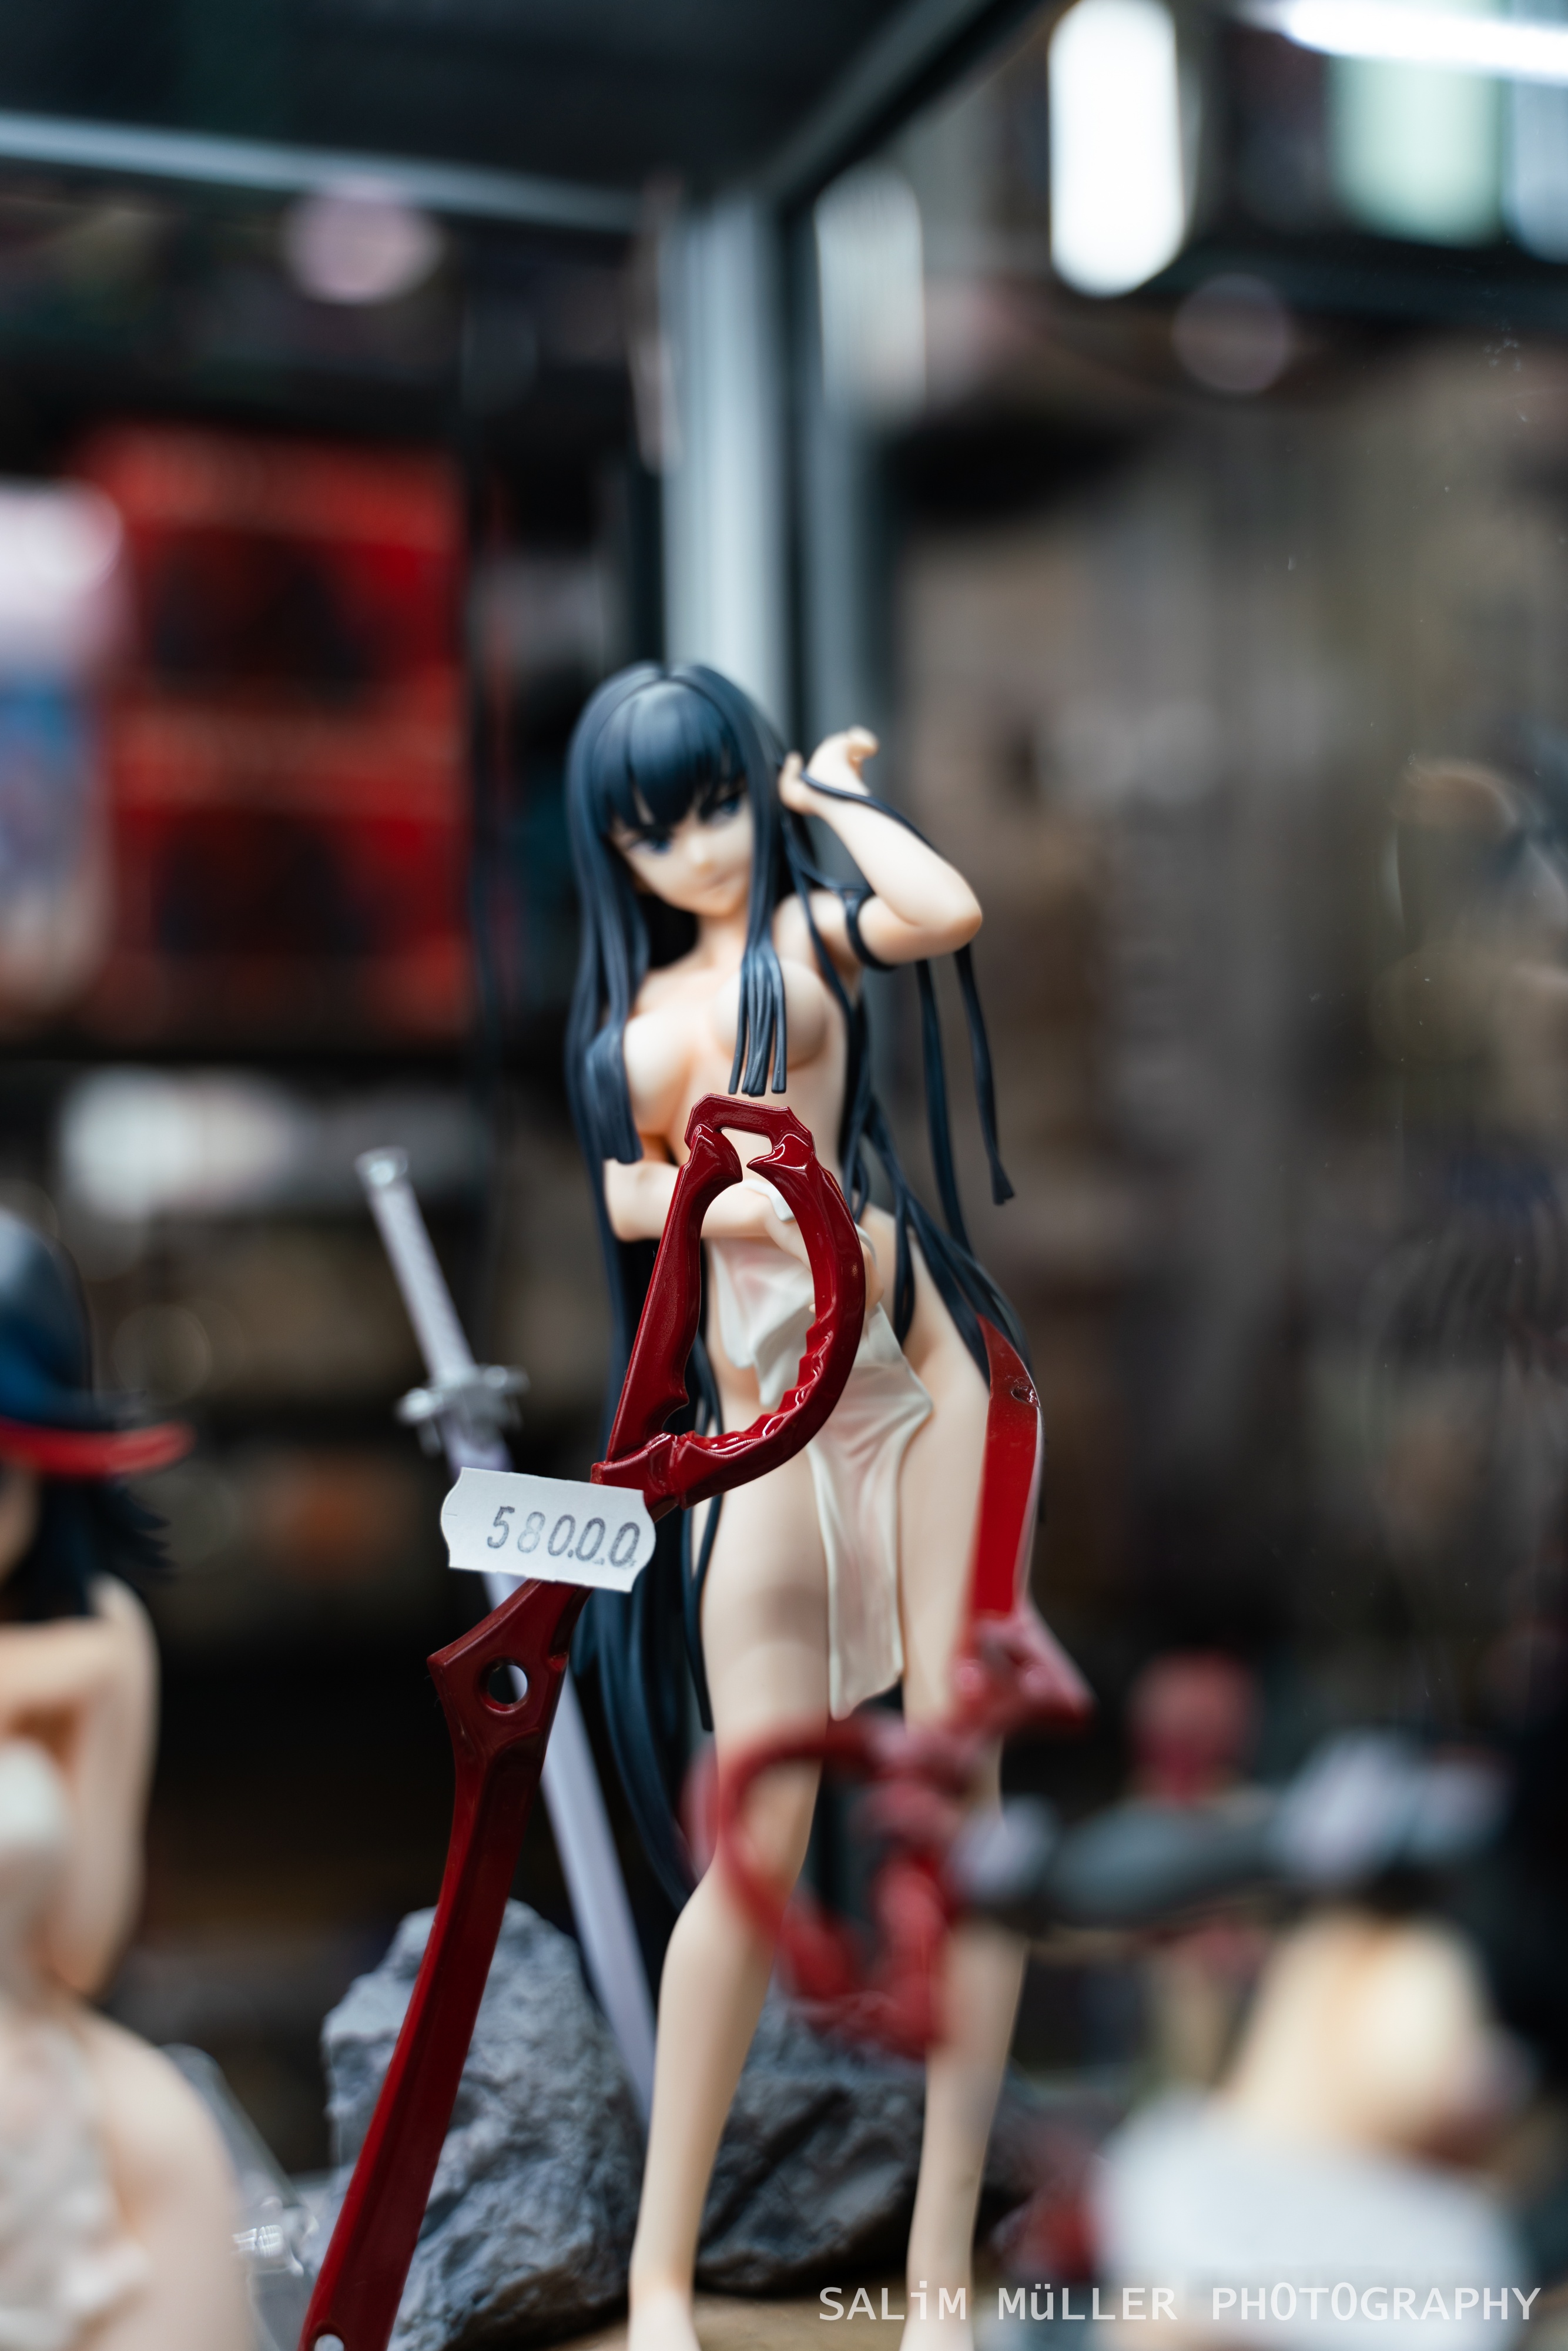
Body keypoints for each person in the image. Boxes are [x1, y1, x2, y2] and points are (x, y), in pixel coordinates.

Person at [565, 662, 1075, 2351]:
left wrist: (827, 799)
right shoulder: (628, 1030)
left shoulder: (801, 938)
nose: (698, 848)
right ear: (613, 851)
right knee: (755, 1829)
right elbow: (627, 1198)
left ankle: (935, 2269)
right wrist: (705, 1201)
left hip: (914, 1370)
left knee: (958, 1793)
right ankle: (659, 2272)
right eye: (657, 829)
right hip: (757, 1423)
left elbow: (940, 909)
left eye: (717, 804)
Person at [0, 1207, 249, 2351]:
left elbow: (78, 1953)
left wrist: (94, 1694)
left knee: (164, 2144)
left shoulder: (96, 1638)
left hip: (35, 2062)